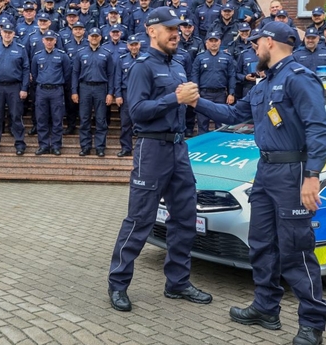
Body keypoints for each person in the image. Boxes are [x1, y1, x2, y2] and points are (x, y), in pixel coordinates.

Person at [190, 21, 326, 345]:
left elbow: (319, 129)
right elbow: (233, 113)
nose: (254, 48)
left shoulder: (299, 78)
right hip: (266, 171)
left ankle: (312, 322)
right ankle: (266, 308)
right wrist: (196, 102)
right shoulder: (265, 82)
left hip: (292, 172)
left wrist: (312, 176)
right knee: (262, 244)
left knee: (296, 249)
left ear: (271, 42)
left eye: (257, 43)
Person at [107, 6, 212, 313]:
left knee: (184, 219)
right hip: (151, 150)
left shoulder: (179, 64)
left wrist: (189, 100)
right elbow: (136, 111)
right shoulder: (142, 66)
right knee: (139, 220)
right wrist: (174, 99)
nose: (175, 33)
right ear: (152, 31)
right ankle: (117, 284)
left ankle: (177, 283)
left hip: (179, 149)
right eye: (169, 28)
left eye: (178, 28)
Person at [0, 22, 29, 156]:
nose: (7, 34)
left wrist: (24, 88)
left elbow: (26, 69)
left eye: (10, 32)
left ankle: (20, 144)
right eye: (5, 32)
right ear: (1, 33)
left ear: (14, 34)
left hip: (15, 87)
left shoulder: (20, 48)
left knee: (16, 116)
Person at [71, 27, 114, 157]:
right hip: (84, 88)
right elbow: (75, 73)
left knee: (101, 119)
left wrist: (110, 93)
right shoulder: (81, 53)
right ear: (88, 37)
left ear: (100, 37)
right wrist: (74, 91)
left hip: (101, 88)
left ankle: (100, 147)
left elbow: (111, 74)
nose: (94, 38)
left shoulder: (106, 54)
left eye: (96, 36)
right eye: (92, 36)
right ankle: (85, 146)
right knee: (84, 118)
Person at [30, 30, 71, 156]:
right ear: (43, 41)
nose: (49, 42)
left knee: (57, 119)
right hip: (41, 90)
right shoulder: (37, 56)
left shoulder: (62, 55)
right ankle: (43, 145)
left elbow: (67, 73)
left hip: (56, 90)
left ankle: (56, 145)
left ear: (55, 41)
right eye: (46, 39)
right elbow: (34, 73)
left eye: (51, 39)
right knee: (41, 119)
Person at [191, 31, 235, 133]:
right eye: (211, 41)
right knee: (202, 123)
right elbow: (195, 76)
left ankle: (220, 148)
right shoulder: (200, 57)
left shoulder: (227, 57)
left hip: (220, 95)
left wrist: (231, 93)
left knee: (220, 124)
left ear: (220, 42)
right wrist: (195, 92)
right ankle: (202, 148)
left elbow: (231, 76)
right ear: (207, 43)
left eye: (216, 41)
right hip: (204, 94)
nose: (214, 43)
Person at [114, 34, 141, 157]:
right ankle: (126, 148)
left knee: (142, 122)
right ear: (127, 46)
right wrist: (118, 95)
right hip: (126, 93)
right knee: (125, 123)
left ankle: (141, 149)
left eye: (136, 44)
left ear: (139, 45)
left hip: (142, 93)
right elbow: (117, 78)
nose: (134, 47)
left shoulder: (146, 58)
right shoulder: (122, 59)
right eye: (132, 45)